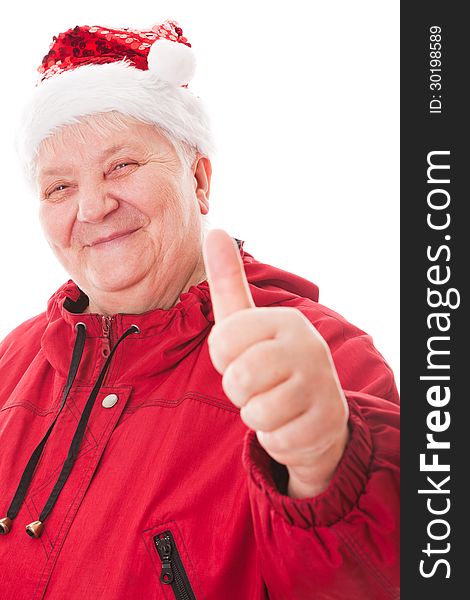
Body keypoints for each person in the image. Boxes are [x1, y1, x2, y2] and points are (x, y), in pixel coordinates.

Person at [0, 20, 399, 600]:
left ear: (199, 177)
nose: (91, 206)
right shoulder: (13, 361)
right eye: (59, 187)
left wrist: (326, 471)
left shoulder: (314, 357)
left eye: (122, 166)